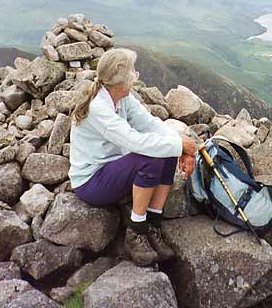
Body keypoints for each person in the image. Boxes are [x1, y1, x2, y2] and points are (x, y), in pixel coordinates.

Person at [62, 49, 201, 223]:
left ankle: (154, 218)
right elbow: (135, 141)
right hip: (91, 183)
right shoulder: (98, 108)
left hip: (113, 169)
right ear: (119, 82)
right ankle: (138, 228)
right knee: (154, 156)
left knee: (167, 149)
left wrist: (180, 146)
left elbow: (150, 123)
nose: (134, 79)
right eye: (132, 75)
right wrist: (180, 146)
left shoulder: (122, 97)